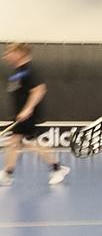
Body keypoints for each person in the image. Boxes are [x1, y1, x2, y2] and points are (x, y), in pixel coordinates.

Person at [2, 43, 71, 186]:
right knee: (15, 143)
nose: (6, 55)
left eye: (10, 52)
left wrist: (27, 109)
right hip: (20, 115)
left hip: (28, 115)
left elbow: (39, 90)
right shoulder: (17, 72)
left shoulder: (30, 70)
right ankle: (7, 173)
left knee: (28, 142)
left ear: (20, 53)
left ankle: (57, 168)